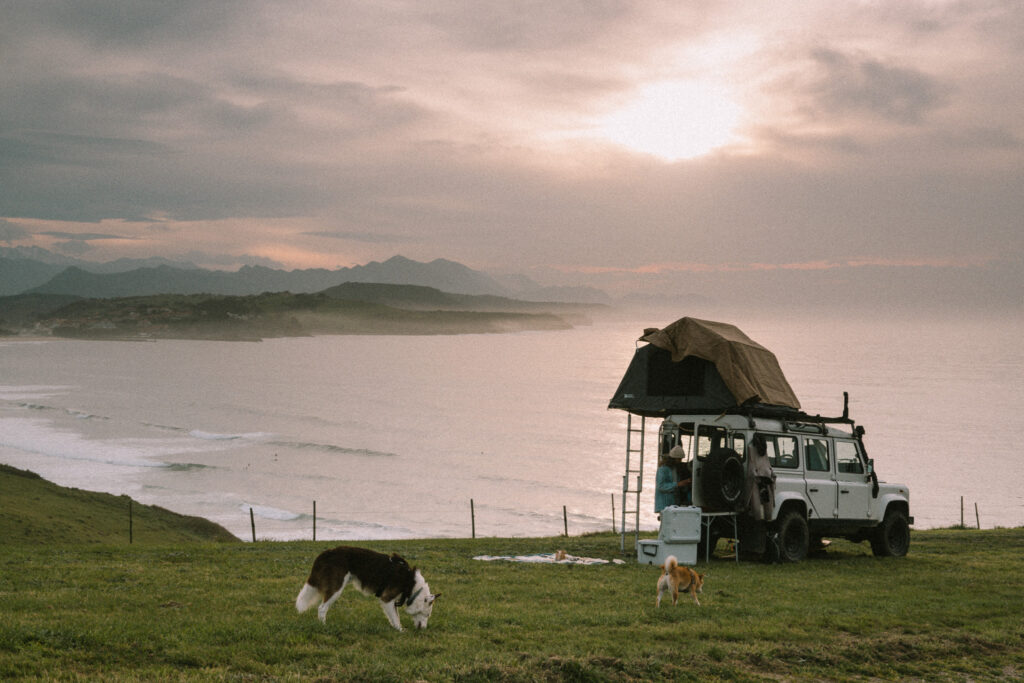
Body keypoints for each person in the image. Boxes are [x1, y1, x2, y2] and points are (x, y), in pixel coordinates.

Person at [655, 445, 692, 516]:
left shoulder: (674, 469)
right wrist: (678, 484)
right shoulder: (662, 469)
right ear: (673, 459)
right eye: (679, 459)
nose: (680, 461)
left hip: (673, 504)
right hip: (664, 505)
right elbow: (661, 486)